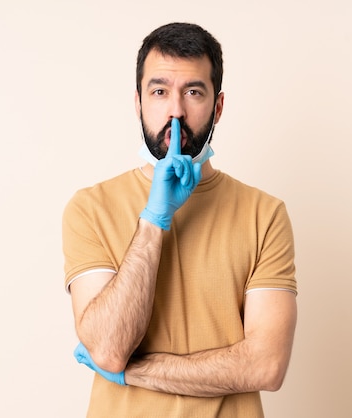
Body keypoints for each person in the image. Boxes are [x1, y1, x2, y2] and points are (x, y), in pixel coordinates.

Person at [62, 22, 298, 417]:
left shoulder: (265, 214)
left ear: (217, 107)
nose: (176, 111)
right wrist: (155, 219)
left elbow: (266, 365)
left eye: (193, 92)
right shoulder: (90, 208)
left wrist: (135, 372)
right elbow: (108, 348)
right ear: (138, 102)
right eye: (159, 92)